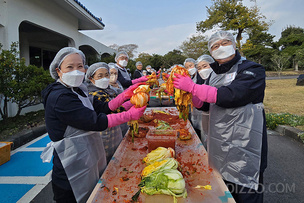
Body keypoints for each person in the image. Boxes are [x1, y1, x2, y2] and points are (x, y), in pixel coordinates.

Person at [41, 47, 146, 203]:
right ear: (58, 70)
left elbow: (103, 107)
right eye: (70, 67)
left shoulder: (79, 90)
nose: (76, 71)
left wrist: (126, 96)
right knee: (71, 197)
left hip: (86, 154)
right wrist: (129, 115)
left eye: (80, 66)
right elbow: (94, 121)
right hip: (69, 162)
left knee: (91, 195)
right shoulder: (60, 96)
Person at [172, 31, 267, 203]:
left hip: (245, 145)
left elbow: (231, 95)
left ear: (233, 44)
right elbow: (206, 104)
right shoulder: (213, 75)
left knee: (246, 193)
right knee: (223, 193)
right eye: (215, 46)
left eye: (224, 43)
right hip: (221, 144)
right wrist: (190, 94)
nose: (220, 48)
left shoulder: (252, 69)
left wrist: (193, 87)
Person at [85, 62, 133, 163]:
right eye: (100, 76)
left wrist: (130, 102)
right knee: (106, 161)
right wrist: (130, 105)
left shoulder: (108, 90)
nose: (105, 78)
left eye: (107, 75)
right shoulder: (93, 94)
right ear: (91, 78)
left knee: (117, 156)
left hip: (115, 130)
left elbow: (116, 107)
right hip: (103, 133)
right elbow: (110, 109)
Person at [194, 54, 215, 145]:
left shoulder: (217, 79)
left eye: (205, 66)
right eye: (199, 68)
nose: (202, 70)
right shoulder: (206, 80)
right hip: (206, 117)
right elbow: (205, 105)